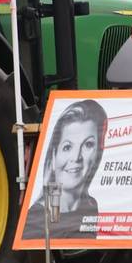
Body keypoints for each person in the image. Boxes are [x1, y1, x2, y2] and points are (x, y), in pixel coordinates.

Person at [22, 99, 107, 239]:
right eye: (67, 147)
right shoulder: (36, 220)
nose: (76, 157)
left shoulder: (91, 206)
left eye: (88, 145)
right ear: (53, 156)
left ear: (97, 153)